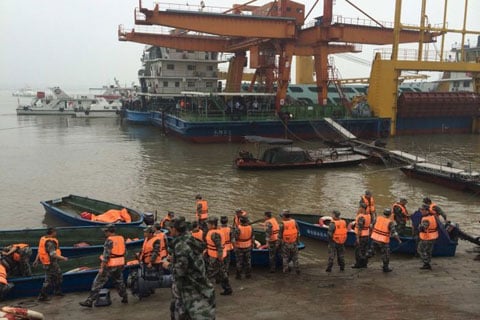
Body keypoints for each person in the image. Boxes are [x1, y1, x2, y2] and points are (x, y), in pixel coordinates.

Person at [162, 217, 215, 320]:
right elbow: (190, 259)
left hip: (187, 290)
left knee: (181, 313)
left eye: (170, 228)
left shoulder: (181, 247)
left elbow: (180, 272)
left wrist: (167, 265)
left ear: (175, 229)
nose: (169, 231)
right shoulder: (190, 239)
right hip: (199, 285)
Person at [80, 224, 128, 307]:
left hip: (110, 265)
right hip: (120, 263)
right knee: (119, 281)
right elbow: (125, 252)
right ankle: (125, 296)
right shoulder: (121, 238)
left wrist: (102, 267)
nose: (105, 233)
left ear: (109, 231)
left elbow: (106, 256)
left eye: (105, 231)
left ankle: (90, 301)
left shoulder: (109, 240)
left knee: (98, 282)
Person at [34, 227, 68, 301]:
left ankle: (56, 291)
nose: (56, 233)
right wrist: (63, 258)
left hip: (46, 263)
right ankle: (42, 295)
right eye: (55, 232)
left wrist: (36, 260)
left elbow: (40, 251)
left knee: (56, 276)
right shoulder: (50, 243)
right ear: (52, 233)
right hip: (51, 263)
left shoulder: (43, 239)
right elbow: (53, 254)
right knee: (51, 279)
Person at [205, 216, 232, 295]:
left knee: (209, 274)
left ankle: (206, 292)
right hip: (215, 256)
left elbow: (219, 246)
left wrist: (219, 257)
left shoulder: (214, 234)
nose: (207, 225)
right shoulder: (215, 231)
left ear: (213, 225)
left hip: (216, 257)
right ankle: (227, 289)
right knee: (221, 273)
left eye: (208, 224)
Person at [278, 210, 300, 274]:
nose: (281, 217)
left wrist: (278, 245)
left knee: (285, 257)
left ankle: (285, 270)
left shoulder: (282, 225)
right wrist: (298, 242)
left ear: (285, 217)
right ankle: (297, 269)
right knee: (295, 257)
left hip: (285, 244)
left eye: (282, 216)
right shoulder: (294, 222)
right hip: (294, 243)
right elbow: (298, 233)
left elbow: (279, 237)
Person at [418, 205, 439, 270]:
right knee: (428, 251)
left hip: (427, 237)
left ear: (427, 211)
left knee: (420, 250)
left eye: (422, 210)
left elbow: (422, 228)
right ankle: (427, 262)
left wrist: (419, 227)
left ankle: (426, 263)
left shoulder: (425, 219)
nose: (421, 211)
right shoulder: (433, 217)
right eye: (421, 210)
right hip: (433, 236)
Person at [233, 215, 253, 279]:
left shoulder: (238, 229)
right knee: (248, 261)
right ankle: (248, 275)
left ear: (240, 221)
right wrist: (252, 245)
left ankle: (238, 275)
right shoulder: (250, 227)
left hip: (239, 247)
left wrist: (234, 247)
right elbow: (253, 238)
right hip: (248, 246)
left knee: (239, 262)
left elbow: (234, 239)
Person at [352, 204, 371, 268]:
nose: (359, 209)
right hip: (367, 235)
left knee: (358, 250)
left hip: (361, 236)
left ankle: (358, 264)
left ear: (362, 208)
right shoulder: (368, 215)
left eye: (359, 208)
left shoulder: (361, 217)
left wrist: (357, 238)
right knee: (365, 250)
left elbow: (360, 228)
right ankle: (364, 264)